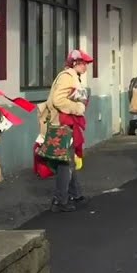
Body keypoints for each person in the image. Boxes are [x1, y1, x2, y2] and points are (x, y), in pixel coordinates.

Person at [40, 49, 92, 212]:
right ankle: (60, 200)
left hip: (66, 124)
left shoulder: (71, 76)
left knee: (68, 161)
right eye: (83, 63)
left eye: (86, 64)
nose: (85, 67)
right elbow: (58, 100)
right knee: (65, 163)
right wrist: (78, 107)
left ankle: (75, 194)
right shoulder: (67, 77)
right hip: (62, 124)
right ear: (74, 63)